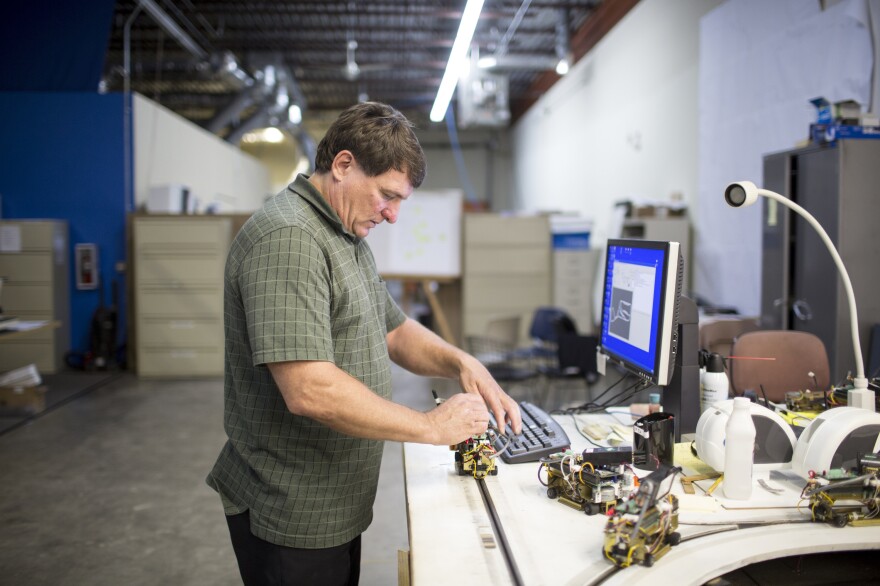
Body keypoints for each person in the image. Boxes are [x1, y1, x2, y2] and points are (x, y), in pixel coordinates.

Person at [206, 101, 522, 586]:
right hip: (293, 508)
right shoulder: (290, 238)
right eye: (387, 196)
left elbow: (393, 329)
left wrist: (460, 360)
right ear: (344, 165)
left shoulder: (341, 233)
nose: (393, 215)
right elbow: (309, 389)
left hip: (332, 500)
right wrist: (430, 426)